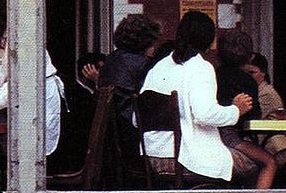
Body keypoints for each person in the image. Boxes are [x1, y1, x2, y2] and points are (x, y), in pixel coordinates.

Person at [140, 11, 254, 183]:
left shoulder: (159, 67)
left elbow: (137, 118)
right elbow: (204, 114)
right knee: (253, 166)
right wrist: (236, 110)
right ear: (209, 42)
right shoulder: (201, 67)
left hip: (153, 156)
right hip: (185, 157)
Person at [0, 0, 65, 155]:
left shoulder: (22, 37)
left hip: (40, 102)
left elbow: (22, 82)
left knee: (34, 153)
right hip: (25, 106)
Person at [97, 14, 162, 182]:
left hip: (110, 145)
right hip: (134, 142)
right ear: (146, 42)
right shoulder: (145, 65)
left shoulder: (110, 61)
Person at [216, 30, 276, 189]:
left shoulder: (212, 74)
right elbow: (253, 117)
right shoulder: (247, 81)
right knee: (270, 162)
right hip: (231, 136)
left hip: (212, 136)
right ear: (250, 57)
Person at [243, 53, 286, 167]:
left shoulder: (266, 93)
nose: (248, 77)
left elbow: (248, 116)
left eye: (252, 72)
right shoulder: (257, 91)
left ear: (264, 73)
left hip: (271, 147)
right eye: (245, 73)